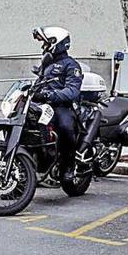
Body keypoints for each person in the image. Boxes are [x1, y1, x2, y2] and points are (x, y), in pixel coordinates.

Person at [31, 26, 84, 182]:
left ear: (56, 43)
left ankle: (68, 166)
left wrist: (49, 95)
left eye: (46, 44)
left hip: (61, 107)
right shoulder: (46, 63)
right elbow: (39, 83)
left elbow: (72, 91)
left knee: (65, 127)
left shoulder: (71, 65)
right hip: (43, 106)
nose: (43, 47)